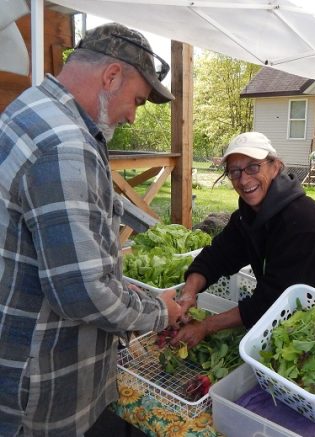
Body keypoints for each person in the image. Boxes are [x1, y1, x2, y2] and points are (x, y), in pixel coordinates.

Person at [0, 23, 182, 436]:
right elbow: (82, 295)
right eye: (136, 99)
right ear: (111, 75)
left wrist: (119, 280)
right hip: (42, 375)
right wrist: (159, 311)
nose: (134, 115)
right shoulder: (66, 144)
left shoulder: (31, 106)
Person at [173, 131, 315, 374]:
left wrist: (206, 326)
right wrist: (189, 293)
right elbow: (218, 255)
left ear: (275, 166)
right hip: (313, 327)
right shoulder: (248, 215)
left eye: (253, 167)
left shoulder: (302, 222)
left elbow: (275, 301)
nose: (244, 180)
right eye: (235, 171)